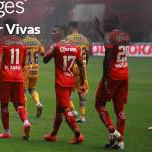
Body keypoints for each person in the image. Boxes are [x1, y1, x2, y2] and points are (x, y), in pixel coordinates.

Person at [42, 25, 86, 144]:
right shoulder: (75, 47)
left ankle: (78, 134)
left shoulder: (56, 46)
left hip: (61, 82)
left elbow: (45, 59)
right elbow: (81, 66)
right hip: (70, 81)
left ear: (61, 33)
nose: (52, 33)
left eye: (54, 31)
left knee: (65, 109)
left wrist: (50, 49)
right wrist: (82, 83)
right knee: (59, 110)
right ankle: (53, 134)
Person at [94, 14, 130, 150]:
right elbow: (112, 41)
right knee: (119, 109)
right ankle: (120, 142)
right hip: (124, 74)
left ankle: (113, 132)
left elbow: (107, 58)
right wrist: (99, 30)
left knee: (99, 104)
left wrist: (104, 80)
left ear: (113, 22)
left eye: (107, 21)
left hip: (112, 76)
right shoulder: (125, 35)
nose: (105, 24)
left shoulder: (110, 36)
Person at [0, 26, 31, 140]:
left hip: (6, 77)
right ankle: (26, 122)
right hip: (18, 77)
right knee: (19, 104)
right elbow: (24, 62)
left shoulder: (3, 41)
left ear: (5, 29)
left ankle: (7, 132)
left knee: (4, 105)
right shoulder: (21, 43)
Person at [66, 21, 91, 123]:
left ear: (71, 27)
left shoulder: (68, 39)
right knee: (82, 93)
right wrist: (84, 66)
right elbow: (88, 54)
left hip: (72, 68)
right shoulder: (85, 39)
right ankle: (82, 116)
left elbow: (67, 54)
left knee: (66, 92)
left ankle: (73, 111)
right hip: (82, 69)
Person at [22, 34, 44, 117]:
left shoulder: (23, 42)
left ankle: (25, 111)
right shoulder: (37, 42)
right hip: (35, 68)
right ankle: (38, 103)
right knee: (32, 89)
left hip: (26, 68)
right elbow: (42, 53)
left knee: (23, 91)